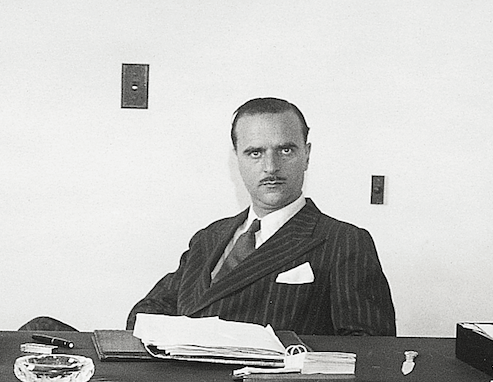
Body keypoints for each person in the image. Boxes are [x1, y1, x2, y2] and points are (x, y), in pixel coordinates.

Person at [127, 97, 396, 336]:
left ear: (307, 155)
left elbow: (369, 351)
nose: (270, 167)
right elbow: (149, 311)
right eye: (255, 153)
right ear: (237, 160)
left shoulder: (344, 242)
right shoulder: (208, 238)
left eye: (285, 150)